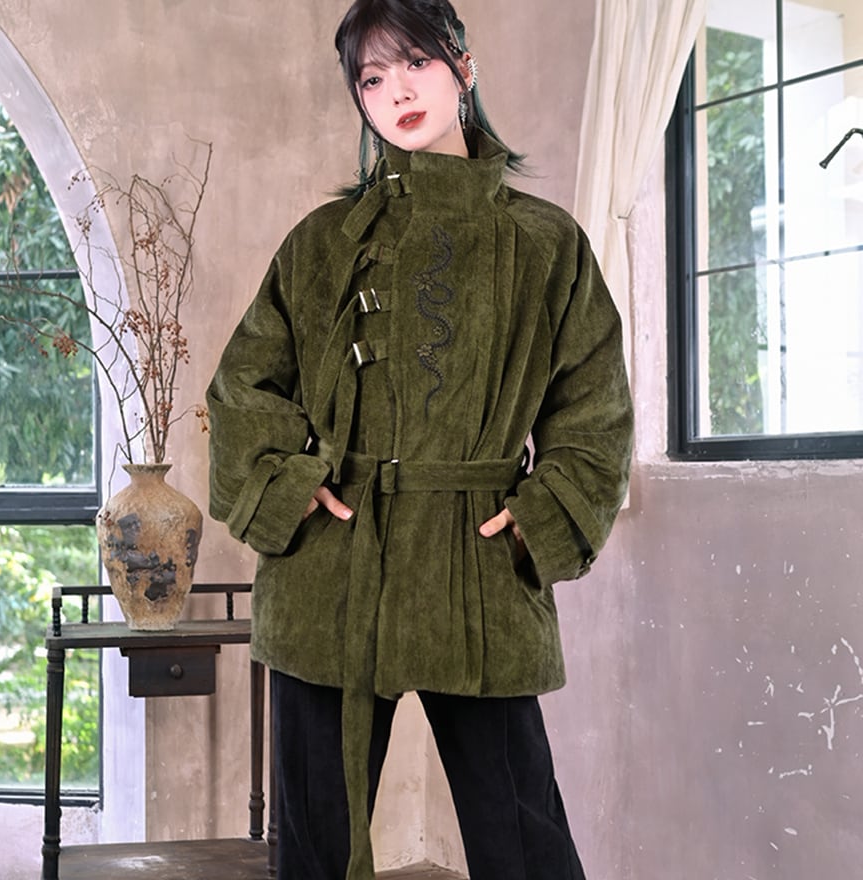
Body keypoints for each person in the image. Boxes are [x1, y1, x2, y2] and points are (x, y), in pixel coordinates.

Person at [207, 1, 633, 878]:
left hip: (476, 563)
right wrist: (292, 484)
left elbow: (593, 411)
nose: (396, 91)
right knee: (317, 849)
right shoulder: (320, 244)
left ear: (463, 67)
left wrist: (538, 516)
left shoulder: (547, 244)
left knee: (524, 842)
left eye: (415, 63)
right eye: (372, 78)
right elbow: (243, 388)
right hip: (329, 573)